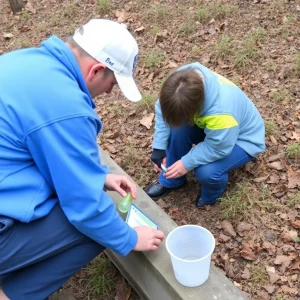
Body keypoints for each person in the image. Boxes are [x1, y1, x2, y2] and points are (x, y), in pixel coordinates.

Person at [0, 19, 164, 300]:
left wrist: (97, 176)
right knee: (97, 227)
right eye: (111, 83)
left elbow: (30, 144)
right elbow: (85, 207)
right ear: (97, 70)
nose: (109, 92)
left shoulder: (22, 62)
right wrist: (130, 238)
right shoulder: (65, 106)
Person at [145, 62, 265, 207]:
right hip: (217, 131)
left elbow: (218, 148)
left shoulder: (222, 113)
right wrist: (159, 147)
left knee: (206, 171)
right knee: (177, 129)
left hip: (242, 140)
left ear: (196, 108)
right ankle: (172, 179)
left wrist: (187, 162)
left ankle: (210, 196)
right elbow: (162, 109)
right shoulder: (178, 83)